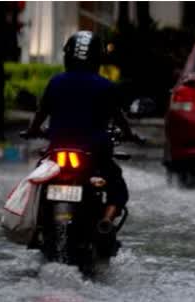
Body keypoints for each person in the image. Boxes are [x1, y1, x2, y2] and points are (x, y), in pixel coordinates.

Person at [22, 30, 138, 232]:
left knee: (37, 180)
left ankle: (38, 223)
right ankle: (107, 221)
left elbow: (41, 113)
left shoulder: (56, 82)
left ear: (68, 56)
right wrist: (129, 134)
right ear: (97, 58)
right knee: (117, 186)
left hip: (57, 151)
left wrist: (33, 130)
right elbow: (119, 118)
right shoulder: (105, 86)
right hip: (95, 151)